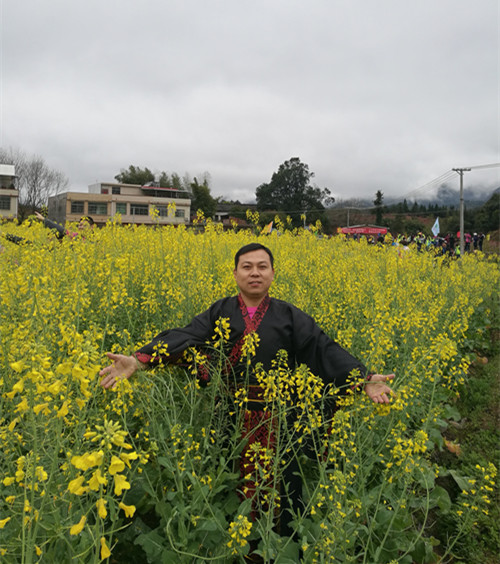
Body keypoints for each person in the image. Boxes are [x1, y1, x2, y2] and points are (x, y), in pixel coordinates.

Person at [99, 242, 394, 538]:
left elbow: (324, 349)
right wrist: (139, 360)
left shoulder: (290, 316)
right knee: (227, 481)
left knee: (282, 485)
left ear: (273, 274)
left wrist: (364, 379)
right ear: (236, 273)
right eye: (247, 267)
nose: (255, 273)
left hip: (279, 419)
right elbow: (186, 337)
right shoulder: (220, 311)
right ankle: (234, 545)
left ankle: (277, 545)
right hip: (229, 416)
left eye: (262, 267)